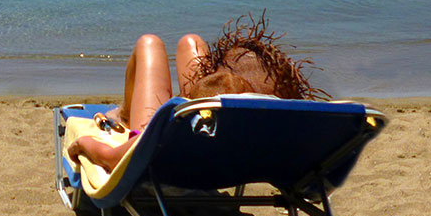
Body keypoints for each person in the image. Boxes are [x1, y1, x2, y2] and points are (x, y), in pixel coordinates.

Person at [67, 13, 323, 170]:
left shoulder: (163, 134)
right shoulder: (285, 124)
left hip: (171, 149)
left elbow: (112, 158)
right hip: (237, 153)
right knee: (192, 42)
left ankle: (126, 113)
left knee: (149, 43)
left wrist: (83, 144)